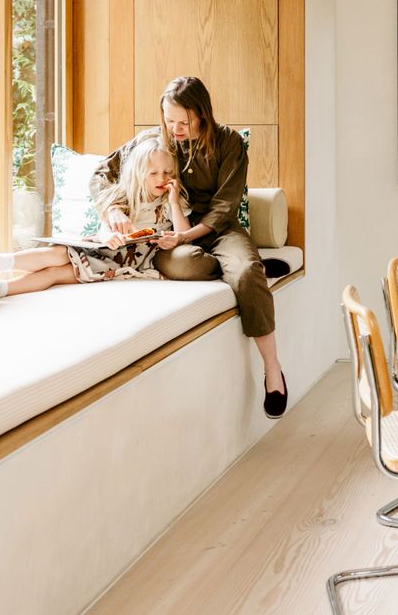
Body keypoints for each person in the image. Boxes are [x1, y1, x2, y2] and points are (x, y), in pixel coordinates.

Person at [91, 76, 288, 419]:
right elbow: (100, 174)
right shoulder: (153, 141)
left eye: (184, 122)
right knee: (183, 265)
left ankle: (273, 368)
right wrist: (113, 211)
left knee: (243, 271)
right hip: (170, 234)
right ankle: (248, 269)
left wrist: (186, 237)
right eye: (169, 121)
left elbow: (224, 207)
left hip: (217, 230)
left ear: (203, 114)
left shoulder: (229, 143)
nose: (175, 129)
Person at [0, 139, 192, 301]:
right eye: (153, 173)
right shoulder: (123, 196)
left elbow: (184, 235)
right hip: (98, 247)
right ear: (138, 173)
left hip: (116, 264)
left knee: (54, 274)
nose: (161, 178)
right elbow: (104, 226)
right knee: (58, 254)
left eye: (168, 172)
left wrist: (174, 203)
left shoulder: (171, 201)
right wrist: (109, 236)